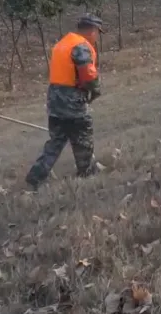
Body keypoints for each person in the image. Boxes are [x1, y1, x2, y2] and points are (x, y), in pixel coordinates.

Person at [25, 14, 103, 190]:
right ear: (92, 30)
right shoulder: (81, 46)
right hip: (72, 99)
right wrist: (95, 90)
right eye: (97, 32)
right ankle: (86, 171)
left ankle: (35, 177)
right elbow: (88, 74)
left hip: (54, 99)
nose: (97, 36)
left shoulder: (62, 43)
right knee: (82, 135)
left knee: (56, 140)